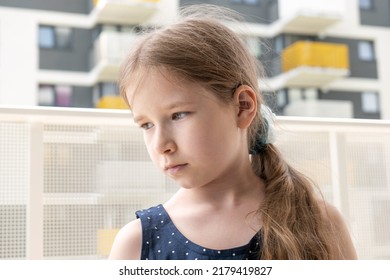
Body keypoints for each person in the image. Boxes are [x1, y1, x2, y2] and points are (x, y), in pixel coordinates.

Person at [109, 4, 357, 260]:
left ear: (242, 107)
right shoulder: (135, 245)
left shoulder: (320, 223)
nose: (161, 144)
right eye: (146, 125)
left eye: (178, 115)